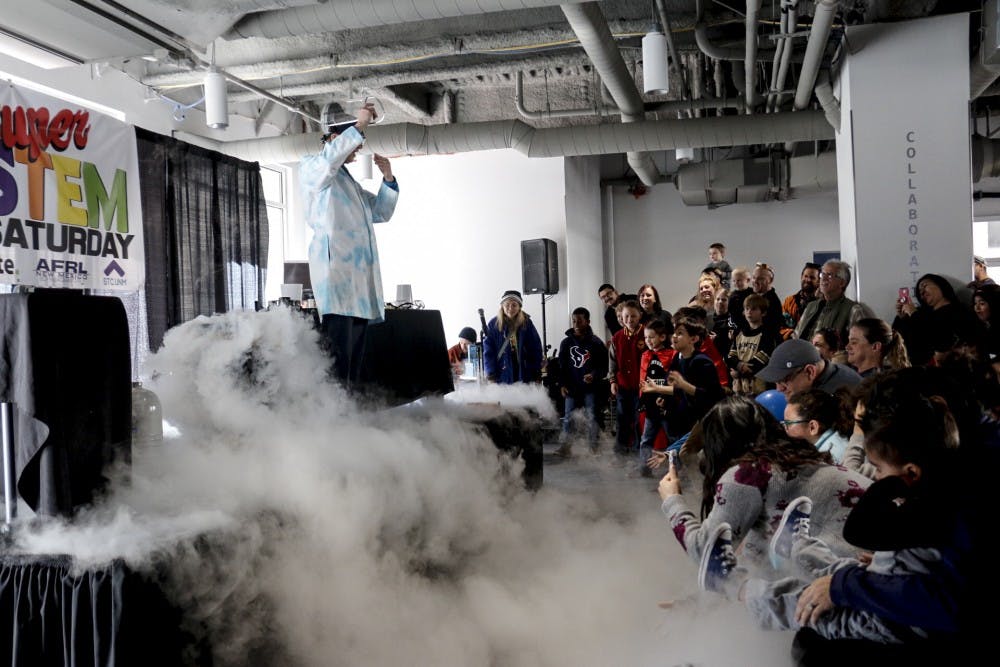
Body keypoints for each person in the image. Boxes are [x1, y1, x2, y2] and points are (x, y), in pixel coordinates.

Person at [654, 395, 870, 591]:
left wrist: (673, 500)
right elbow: (757, 550)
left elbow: (707, 553)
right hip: (874, 569)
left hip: (854, 580)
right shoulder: (798, 454)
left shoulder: (747, 474)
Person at [301, 103, 399, 384]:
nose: (358, 149)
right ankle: (334, 409)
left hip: (358, 287)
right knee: (338, 362)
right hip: (337, 282)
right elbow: (328, 162)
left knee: (354, 363)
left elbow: (380, 212)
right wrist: (360, 125)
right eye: (355, 142)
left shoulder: (349, 185)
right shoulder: (313, 168)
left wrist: (388, 178)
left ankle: (349, 408)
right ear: (336, 138)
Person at [639, 314, 723, 474]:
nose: (674, 337)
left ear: (693, 339)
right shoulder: (678, 358)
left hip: (710, 418)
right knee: (683, 450)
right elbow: (674, 385)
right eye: (674, 332)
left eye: (680, 333)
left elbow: (711, 397)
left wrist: (682, 385)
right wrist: (662, 394)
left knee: (693, 454)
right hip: (689, 415)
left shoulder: (702, 362)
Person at [892, 273, 986, 367]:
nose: (922, 292)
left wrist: (914, 313)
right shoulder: (921, 313)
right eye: (920, 292)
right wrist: (902, 318)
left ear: (941, 286)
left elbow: (940, 338)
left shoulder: (959, 311)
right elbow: (898, 340)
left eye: (925, 286)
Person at [555, 307, 609, 454]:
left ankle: (594, 447)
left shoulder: (596, 343)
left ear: (588, 321)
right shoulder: (566, 343)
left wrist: (594, 375)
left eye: (580, 321)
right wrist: (562, 384)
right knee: (568, 417)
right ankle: (566, 447)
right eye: (574, 321)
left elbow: (604, 367)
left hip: (591, 388)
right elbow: (562, 366)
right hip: (571, 387)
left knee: (593, 416)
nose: (576, 324)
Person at [756, 338, 862, 398]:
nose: (779, 389)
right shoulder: (826, 371)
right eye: (776, 382)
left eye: (784, 380)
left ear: (810, 371)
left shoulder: (838, 397)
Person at [794, 260, 868, 344]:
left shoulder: (853, 309)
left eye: (829, 275)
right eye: (822, 274)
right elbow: (796, 336)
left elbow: (858, 344)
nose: (823, 279)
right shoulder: (811, 306)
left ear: (842, 283)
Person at [608, 299, 645, 460]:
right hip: (623, 385)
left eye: (633, 316)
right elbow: (612, 362)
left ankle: (637, 449)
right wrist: (613, 381)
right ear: (621, 318)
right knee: (622, 418)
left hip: (641, 387)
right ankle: (620, 450)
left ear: (640, 316)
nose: (630, 319)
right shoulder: (617, 337)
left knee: (638, 419)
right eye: (626, 316)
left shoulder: (646, 334)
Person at [483, 290, 543, 384]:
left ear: (519, 307)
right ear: (502, 306)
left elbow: (535, 348)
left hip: (524, 372)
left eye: (514, 305)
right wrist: (491, 373)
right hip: (502, 373)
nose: (510, 308)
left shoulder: (526, 323)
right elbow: (488, 351)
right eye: (507, 305)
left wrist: (536, 371)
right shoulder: (493, 324)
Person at [781, 389, 852, 463]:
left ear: (813, 427)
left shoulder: (831, 457)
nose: (785, 428)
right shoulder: (831, 443)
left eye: (788, 423)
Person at [727, 293, 778, 395]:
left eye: (754, 309)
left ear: (763, 313)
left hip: (759, 387)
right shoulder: (739, 333)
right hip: (738, 386)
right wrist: (738, 365)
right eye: (747, 308)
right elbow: (731, 356)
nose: (749, 312)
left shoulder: (768, 334)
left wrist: (739, 369)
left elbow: (760, 361)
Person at [844, 318, 909, 377]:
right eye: (849, 341)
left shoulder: (876, 382)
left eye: (854, 342)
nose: (847, 347)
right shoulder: (848, 371)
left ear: (875, 347)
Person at [750, 263, 786, 338]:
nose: (755, 281)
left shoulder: (773, 302)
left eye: (760, 278)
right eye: (753, 277)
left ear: (771, 280)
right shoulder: (752, 296)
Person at [783, 263, 821, 329]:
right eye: (805, 276)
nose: (808, 280)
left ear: (819, 281)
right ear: (801, 277)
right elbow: (780, 325)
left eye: (812, 278)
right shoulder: (789, 302)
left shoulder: (823, 304)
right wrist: (793, 333)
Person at [728, 266, 753, 332]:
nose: (736, 283)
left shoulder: (753, 293)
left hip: (751, 322)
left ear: (748, 280)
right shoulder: (732, 296)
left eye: (739, 280)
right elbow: (730, 311)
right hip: (737, 324)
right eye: (734, 281)